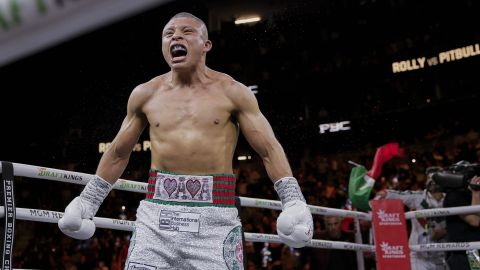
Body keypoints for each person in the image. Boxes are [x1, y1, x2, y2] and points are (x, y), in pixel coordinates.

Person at [57, 12, 313, 269]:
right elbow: (118, 153)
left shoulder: (233, 92)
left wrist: (292, 200)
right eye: (168, 34)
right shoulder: (145, 94)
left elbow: (269, 148)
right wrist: (88, 201)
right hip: (156, 218)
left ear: (206, 45)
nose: (176, 36)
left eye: (187, 31)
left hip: (215, 220)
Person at [375, 167, 448, 270]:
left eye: (435, 178)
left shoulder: (451, 199)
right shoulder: (417, 197)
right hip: (418, 256)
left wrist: (445, 231)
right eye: (429, 178)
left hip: (441, 255)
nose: (432, 182)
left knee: (475, 263)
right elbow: (392, 194)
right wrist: (382, 195)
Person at [443, 173, 480, 270]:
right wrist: (476, 191)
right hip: (463, 251)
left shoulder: (470, 194)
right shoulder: (454, 196)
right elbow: (475, 221)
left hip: (474, 249)